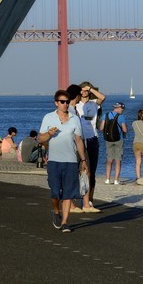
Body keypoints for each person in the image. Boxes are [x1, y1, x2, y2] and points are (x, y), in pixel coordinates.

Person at [37, 91, 87, 232]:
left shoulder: (74, 119)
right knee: (55, 192)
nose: (65, 104)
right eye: (62, 101)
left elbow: (78, 140)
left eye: (67, 101)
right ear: (56, 103)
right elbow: (40, 139)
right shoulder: (48, 118)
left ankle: (65, 222)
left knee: (68, 193)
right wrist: (49, 134)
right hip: (54, 160)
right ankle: (56, 211)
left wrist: (83, 160)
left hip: (70, 160)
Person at [69, 81, 104, 211]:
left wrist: (90, 89)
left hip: (92, 139)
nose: (83, 92)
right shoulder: (75, 105)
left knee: (91, 172)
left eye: (85, 90)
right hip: (79, 140)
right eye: (81, 90)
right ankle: (77, 200)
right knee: (80, 170)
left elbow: (102, 97)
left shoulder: (94, 104)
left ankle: (89, 200)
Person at [101, 101, 128, 184]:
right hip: (118, 140)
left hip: (108, 139)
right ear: (119, 108)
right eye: (122, 109)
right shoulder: (121, 117)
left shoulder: (105, 115)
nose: (122, 111)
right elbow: (124, 130)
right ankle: (116, 180)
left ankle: (107, 179)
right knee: (118, 160)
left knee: (109, 160)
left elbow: (101, 128)